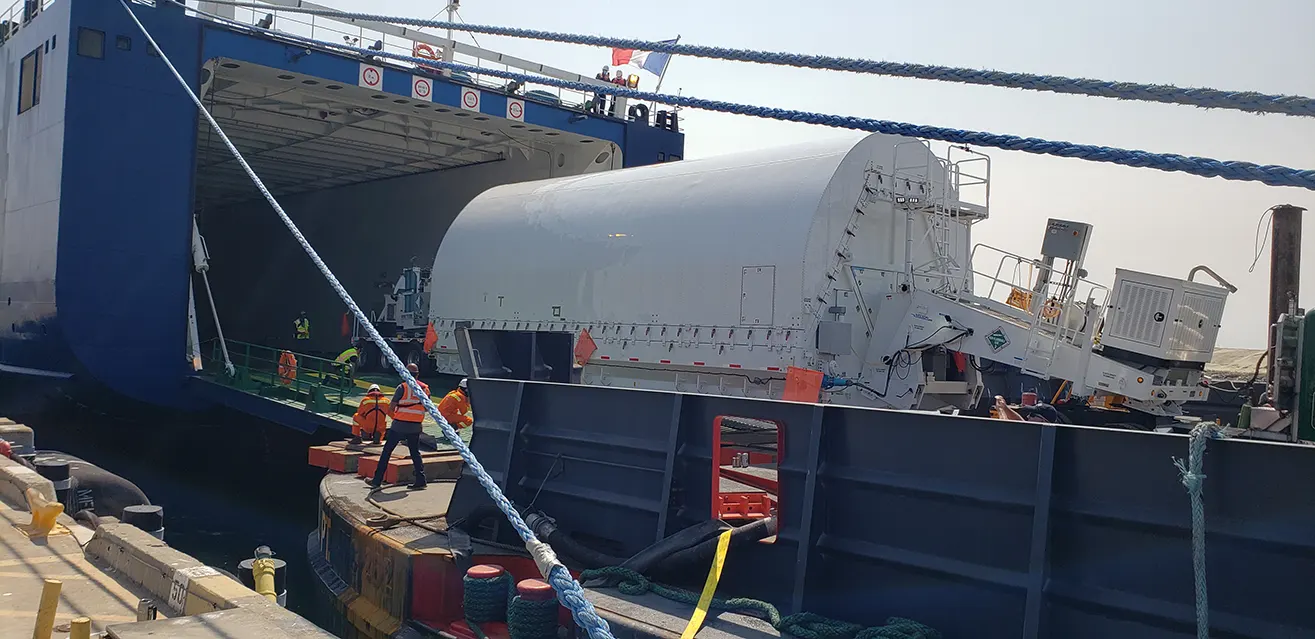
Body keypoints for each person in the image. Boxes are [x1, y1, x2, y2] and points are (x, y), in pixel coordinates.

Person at [370, 363, 429, 490]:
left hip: (399, 425)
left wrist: (398, 414)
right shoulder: (425, 388)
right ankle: (421, 480)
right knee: (415, 453)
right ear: (418, 374)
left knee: (387, 451)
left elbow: (391, 406)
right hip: (415, 426)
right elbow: (427, 408)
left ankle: (376, 480)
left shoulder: (402, 387)